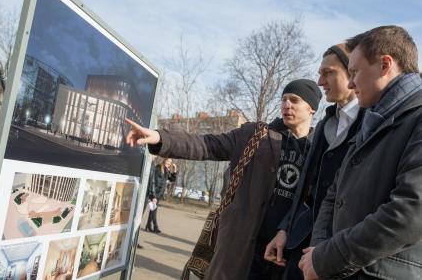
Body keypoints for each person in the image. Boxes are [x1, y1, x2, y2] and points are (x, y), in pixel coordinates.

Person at [125, 79, 322, 280]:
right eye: (284, 100)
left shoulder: (319, 152)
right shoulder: (255, 135)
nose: (286, 105)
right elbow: (207, 144)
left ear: (312, 108)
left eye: (294, 100)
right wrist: (160, 138)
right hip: (241, 248)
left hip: (285, 254)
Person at [299, 25, 422, 280]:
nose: (351, 82)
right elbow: (334, 194)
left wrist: (327, 257)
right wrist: (321, 250)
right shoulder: (373, 120)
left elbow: (410, 212)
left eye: (354, 72)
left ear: (385, 65)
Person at [264, 43, 363, 279]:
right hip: (301, 245)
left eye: (328, 73)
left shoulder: (372, 123)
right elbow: (307, 188)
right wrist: (285, 229)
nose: (320, 81)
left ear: (352, 72)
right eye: (320, 73)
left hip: (343, 251)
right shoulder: (324, 126)